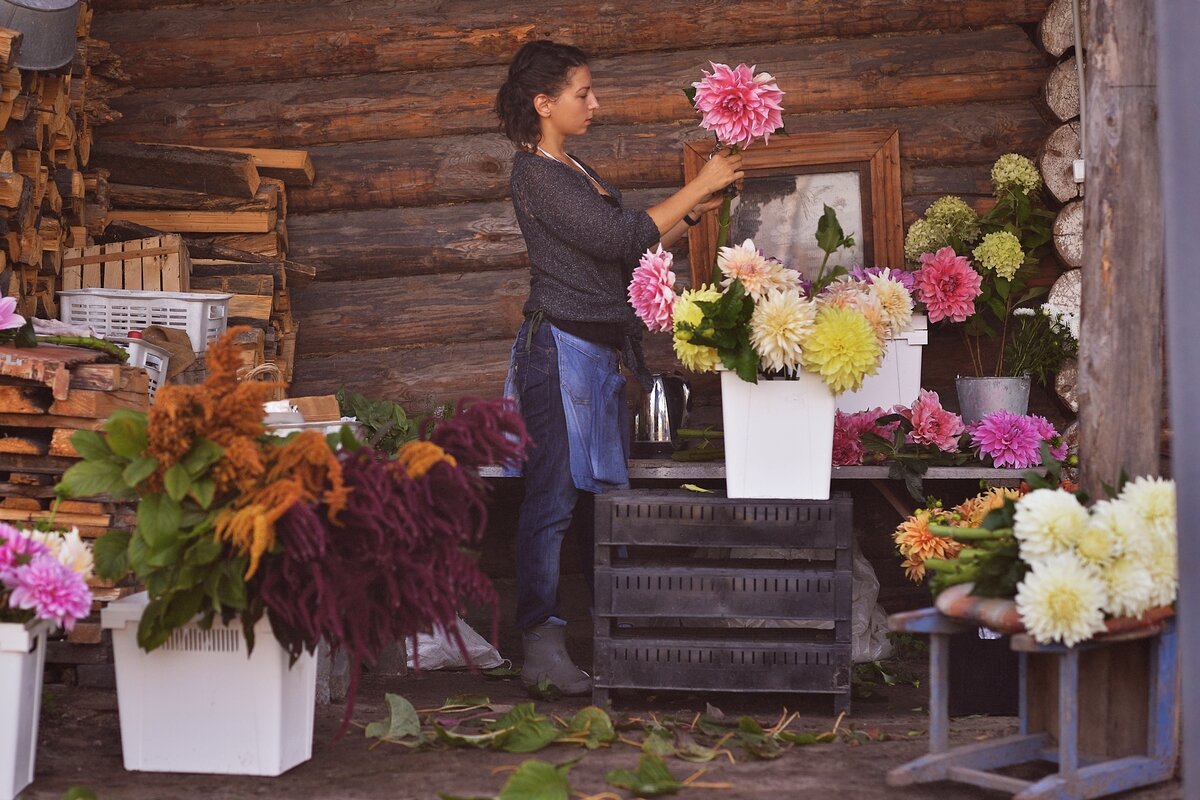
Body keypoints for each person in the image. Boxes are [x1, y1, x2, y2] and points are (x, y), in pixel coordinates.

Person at [495, 39, 743, 695]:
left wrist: (687, 213)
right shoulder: (535, 175)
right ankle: (542, 647)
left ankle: (614, 641)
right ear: (543, 104)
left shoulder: (575, 169)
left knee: (601, 499)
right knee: (551, 500)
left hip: (597, 352)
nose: (595, 104)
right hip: (558, 352)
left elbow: (622, 247)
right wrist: (701, 182)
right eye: (583, 93)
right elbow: (615, 237)